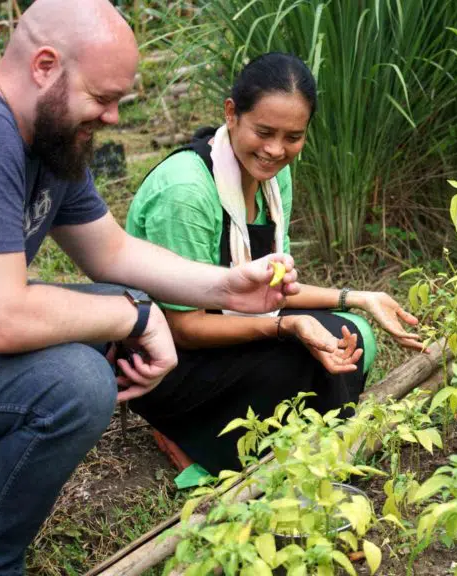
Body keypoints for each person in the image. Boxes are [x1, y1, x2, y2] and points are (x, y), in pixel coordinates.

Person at [0, 1, 314, 574]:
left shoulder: (50, 140)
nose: (115, 118)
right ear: (45, 66)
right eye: (103, 99)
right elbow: (1, 317)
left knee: (116, 311)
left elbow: (113, 253)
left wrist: (225, 287)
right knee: (79, 381)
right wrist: (134, 318)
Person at [125, 52, 424, 475]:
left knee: (350, 338)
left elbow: (272, 289)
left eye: (292, 137)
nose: (275, 150)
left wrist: (359, 298)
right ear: (231, 114)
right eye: (263, 132)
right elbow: (182, 327)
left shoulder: (272, 177)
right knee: (298, 360)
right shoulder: (186, 192)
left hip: (230, 323)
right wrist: (286, 326)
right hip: (167, 362)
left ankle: (299, 458)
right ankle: (185, 432)